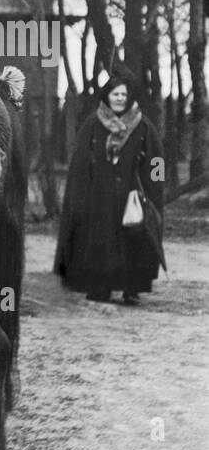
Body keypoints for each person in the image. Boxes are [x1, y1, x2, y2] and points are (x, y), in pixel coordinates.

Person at [55, 69, 166, 304]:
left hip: (131, 195)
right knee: (99, 242)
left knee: (133, 240)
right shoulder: (93, 125)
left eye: (123, 94)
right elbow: (80, 161)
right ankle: (99, 287)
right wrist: (82, 193)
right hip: (99, 197)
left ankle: (131, 287)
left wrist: (154, 190)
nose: (119, 98)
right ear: (107, 96)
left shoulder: (143, 126)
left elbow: (156, 162)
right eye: (115, 94)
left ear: (129, 97)